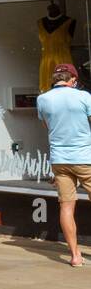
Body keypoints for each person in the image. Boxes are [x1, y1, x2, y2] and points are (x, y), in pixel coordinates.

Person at [38, 63, 91, 266]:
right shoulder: (84, 96)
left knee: (67, 207)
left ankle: (75, 256)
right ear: (73, 80)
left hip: (59, 160)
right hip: (86, 158)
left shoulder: (43, 99)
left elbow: (48, 127)